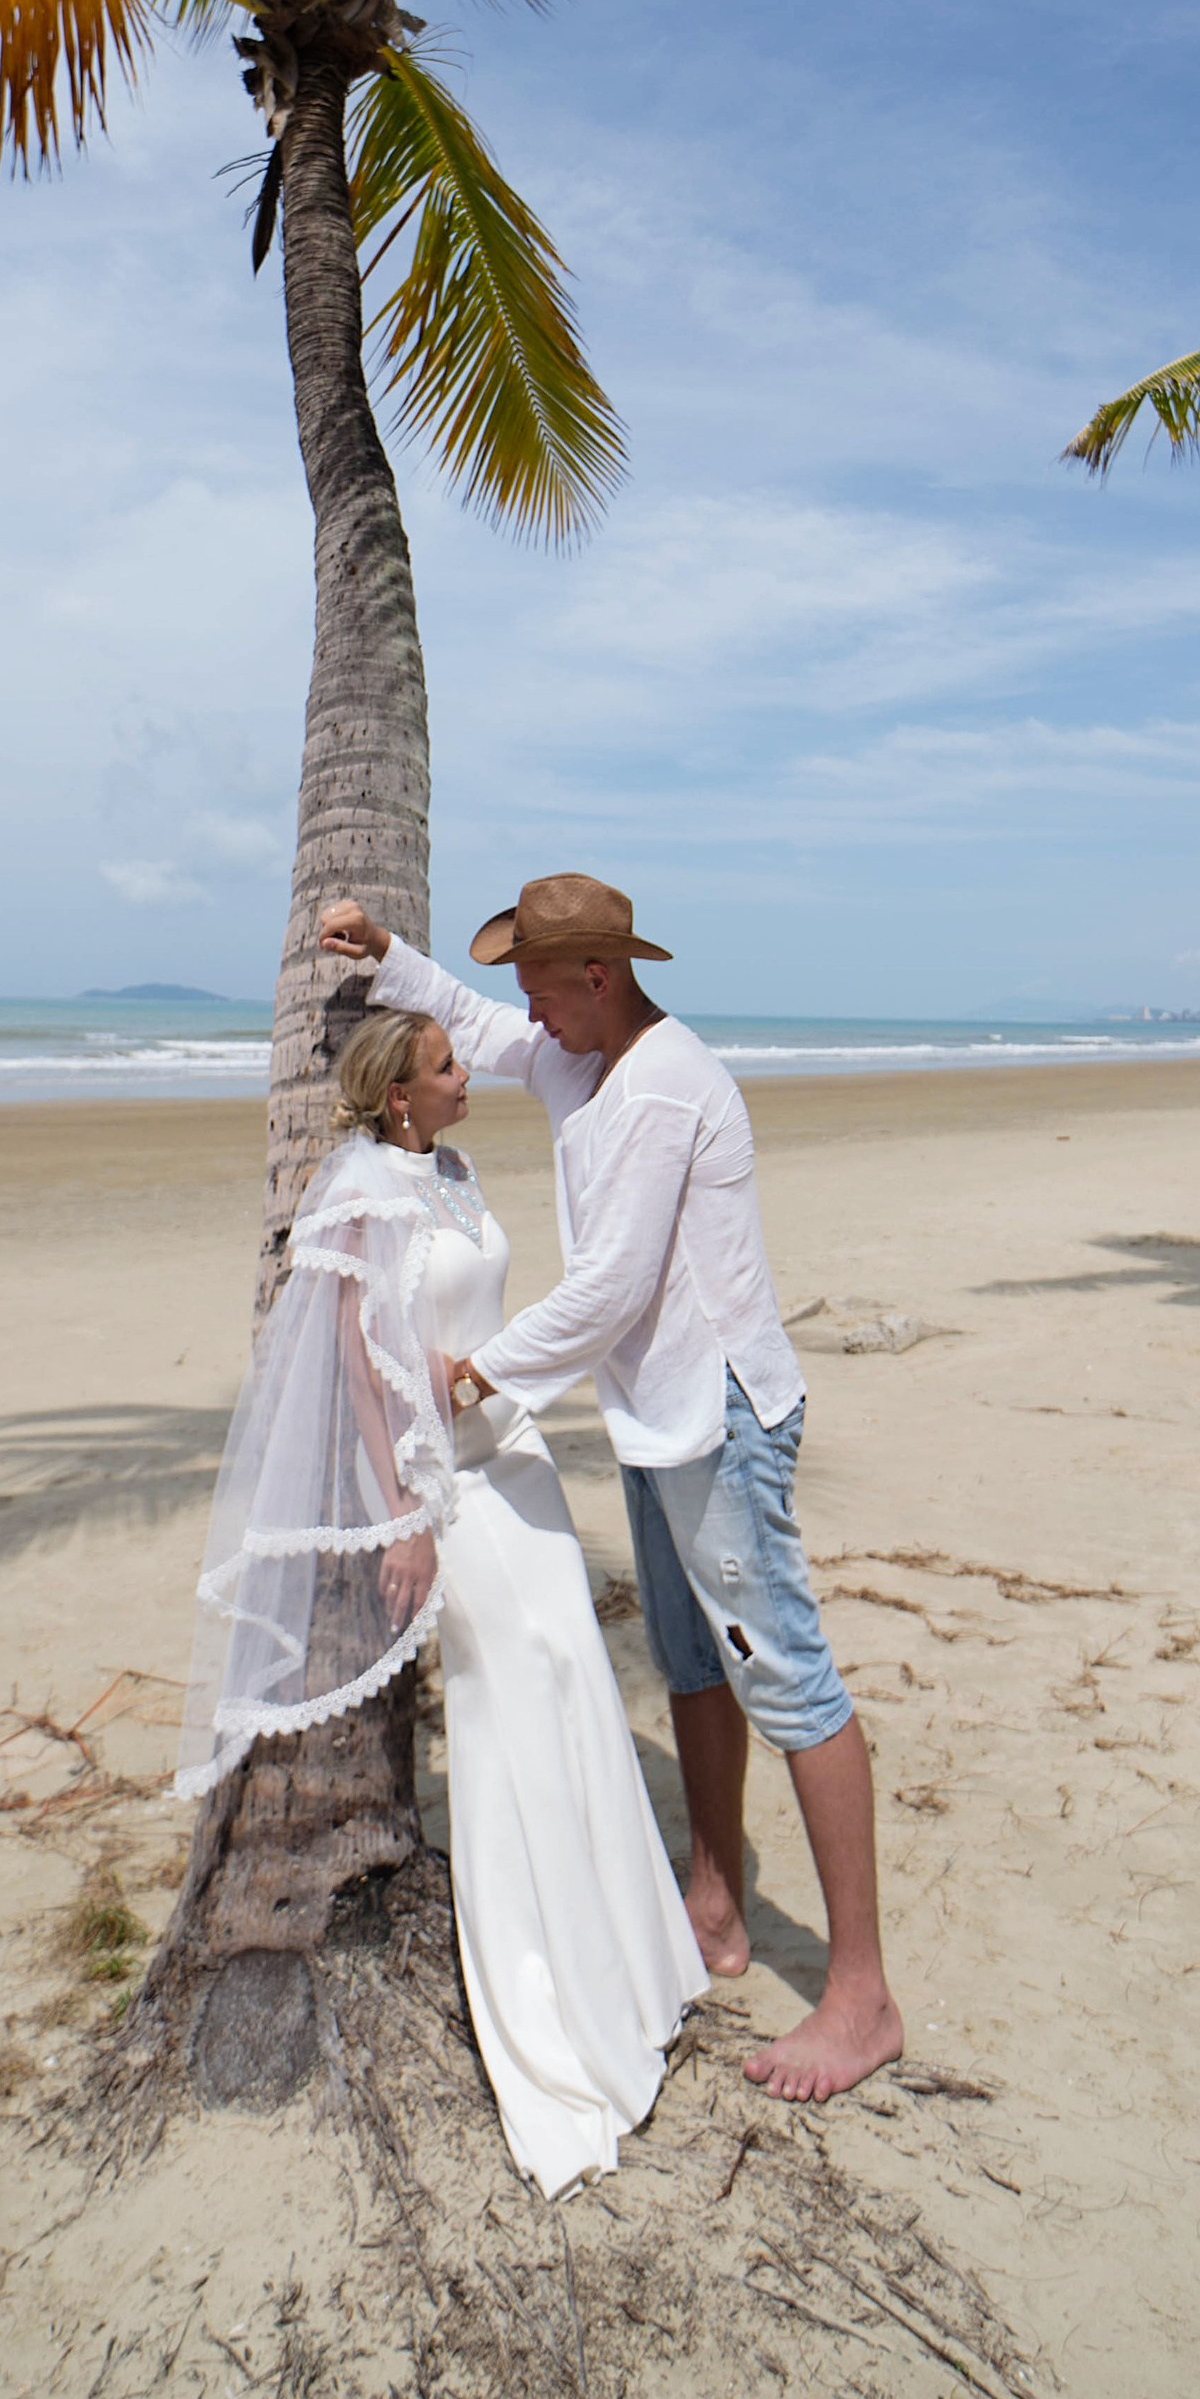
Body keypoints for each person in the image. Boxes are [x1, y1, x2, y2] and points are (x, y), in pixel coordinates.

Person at [320, 874, 904, 2103]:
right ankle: (713, 1898)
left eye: (537, 982)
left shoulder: (660, 1087)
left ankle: (861, 1997)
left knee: (784, 1673)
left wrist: (474, 1372)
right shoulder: (577, 1058)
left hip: (719, 1416)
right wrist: (390, 954)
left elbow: (614, 1291)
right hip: (653, 1419)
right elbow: (472, 1032)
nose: (520, 1012)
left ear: (599, 977)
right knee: (694, 1667)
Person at [174, 995, 703, 2198]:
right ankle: (548, 2007)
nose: (470, 1077)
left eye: (462, 1058)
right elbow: (366, 1365)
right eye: (448, 1065)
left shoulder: (455, 1168)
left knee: (573, 1685)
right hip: (450, 1492)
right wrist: (406, 1514)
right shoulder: (362, 1189)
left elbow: (486, 1321)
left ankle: (631, 1971)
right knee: (509, 1714)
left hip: (520, 1467)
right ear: (397, 1092)